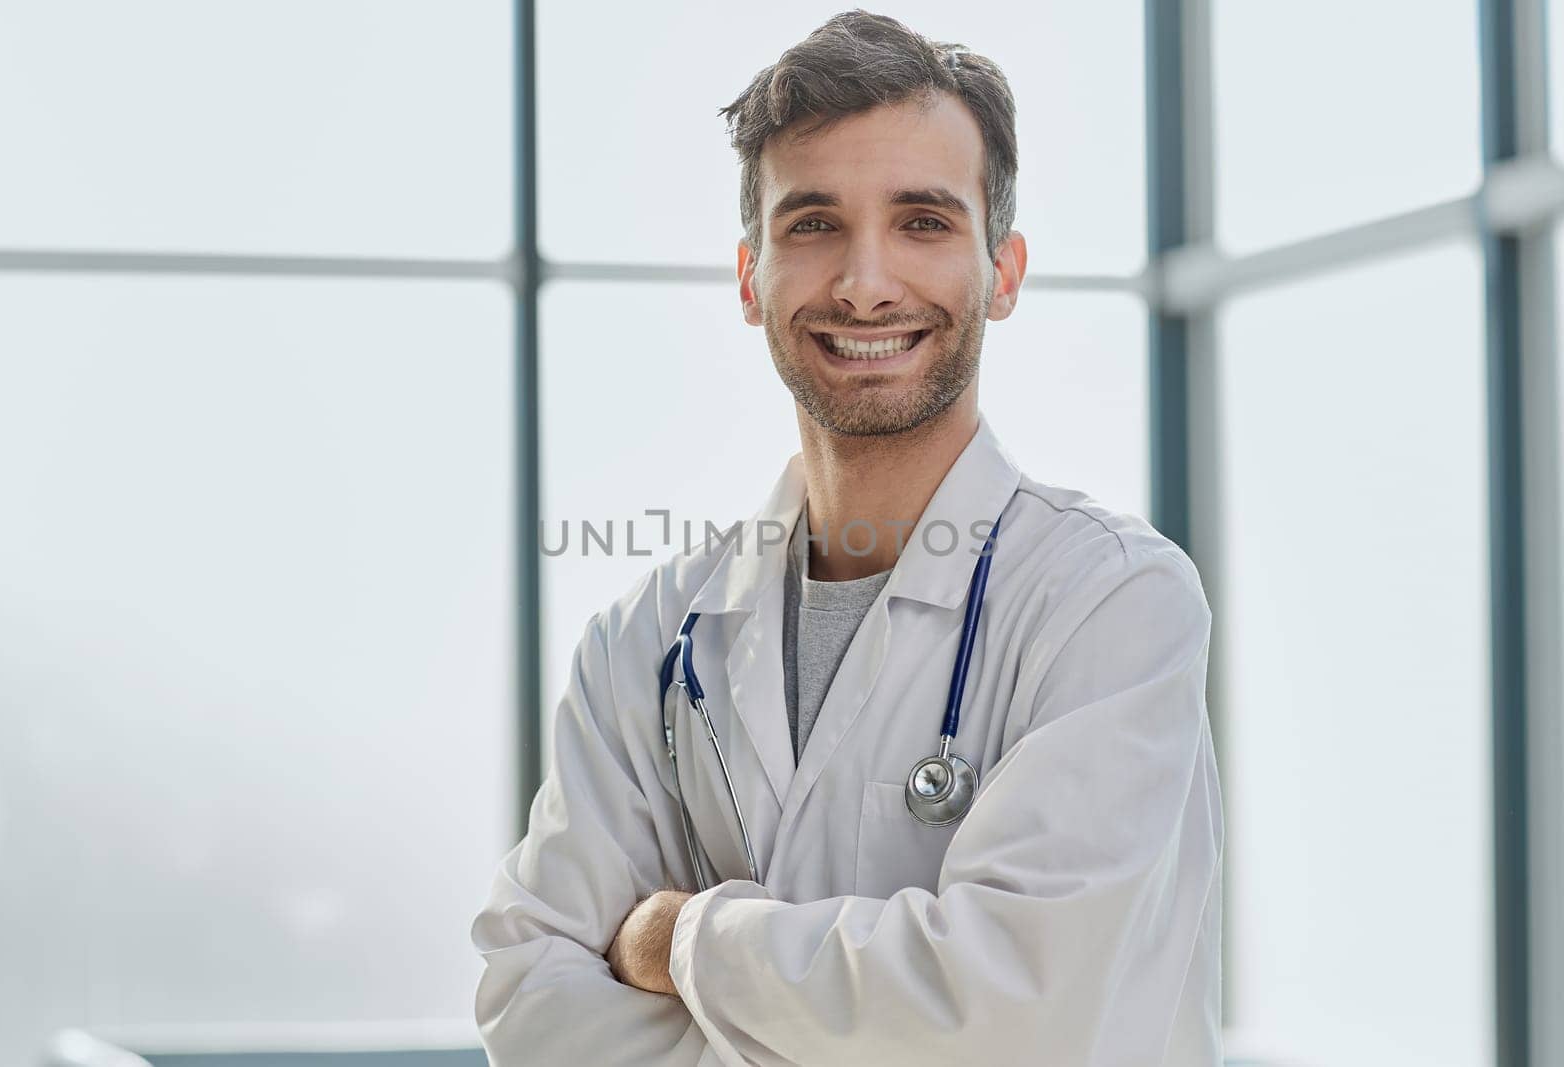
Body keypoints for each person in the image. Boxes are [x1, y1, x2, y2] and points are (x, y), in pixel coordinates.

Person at [471, 11, 1221, 1065]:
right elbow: (527, 996)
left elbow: (1015, 1010)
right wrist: (875, 1006)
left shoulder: (1111, 603)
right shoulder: (647, 640)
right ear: (750, 278)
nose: (865, 282)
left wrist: (676, 934)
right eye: (814, 224)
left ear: (1002, 272)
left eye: (922, 221)